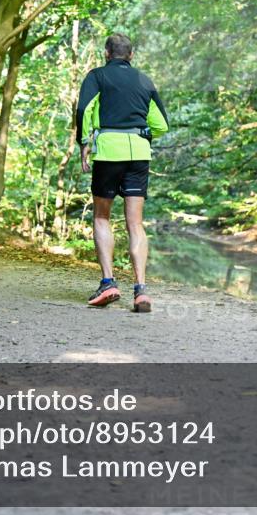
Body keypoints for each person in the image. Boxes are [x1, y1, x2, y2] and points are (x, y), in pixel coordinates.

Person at [75, 33, 169, 313]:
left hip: (108, 152)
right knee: (135, 223)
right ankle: (140, 290)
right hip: (139, 153)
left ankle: (109, 283)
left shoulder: (97, 76)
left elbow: (84, 109)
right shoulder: (144, 80)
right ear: (131, 54)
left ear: (106, 53)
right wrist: (143, 135)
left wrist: (84, 143)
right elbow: (161, 124)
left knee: (102, 216)